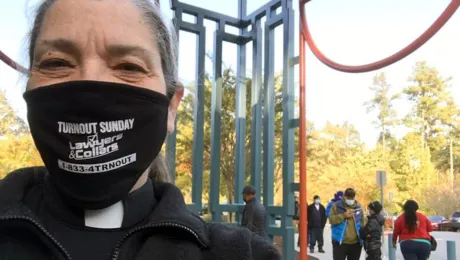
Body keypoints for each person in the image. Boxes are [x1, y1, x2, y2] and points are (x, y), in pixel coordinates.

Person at [0, 1, 280, 260]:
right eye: (56, 62)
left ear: (171, 106)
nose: (89, 84)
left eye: (129, 66)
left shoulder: (241, 254)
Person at [329, 188, 367, 260]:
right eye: (348, 197)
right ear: (344, 196)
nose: (350, 199)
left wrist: (364, 237)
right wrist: (343, 216)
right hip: (340, 243)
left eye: (352, 197)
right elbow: (331, 220)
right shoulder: (336, 206)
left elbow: (363, 224)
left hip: (356, 244)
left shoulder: (358, 207)